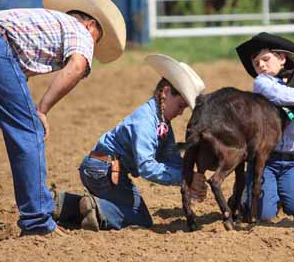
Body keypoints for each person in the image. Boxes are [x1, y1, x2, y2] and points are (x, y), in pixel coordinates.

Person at [0, 0, 127, 240]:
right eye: (96, 40)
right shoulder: (79, 29)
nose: (92, 46)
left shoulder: (40, 26)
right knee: (30, 128)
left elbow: (7, 80)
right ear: (90, 25)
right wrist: (41, 110)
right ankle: (37, 221)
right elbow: (77, 66)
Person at [52, 54, 206, 231]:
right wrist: (185, 177)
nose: (180, 113)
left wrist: (189, 175)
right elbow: (146, 166)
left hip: (102, 168)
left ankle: (64, 204)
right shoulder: (146, 122)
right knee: (140, 218)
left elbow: (170, 157)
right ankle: (95, 208)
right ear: (165, 93)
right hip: (104, 171)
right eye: (180, 106)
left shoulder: (160, 121)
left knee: (136, 214)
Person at [235, 32, 294, 221]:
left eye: (265, 59)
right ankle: (246, 199)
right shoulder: (263, 83)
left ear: (281, 58)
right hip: (265, 160)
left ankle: (276, 196)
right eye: (256, 64)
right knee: (264, 215)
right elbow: (282, 95)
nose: (261, 65)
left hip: (292, 161)